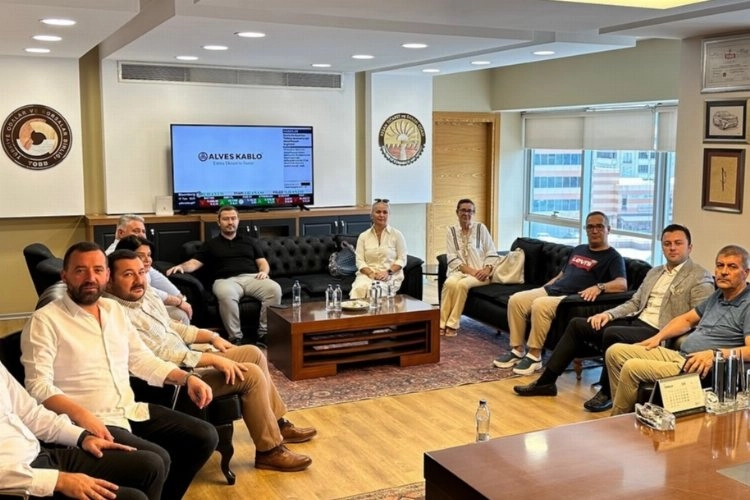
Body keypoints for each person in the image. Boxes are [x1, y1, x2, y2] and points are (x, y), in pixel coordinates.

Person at [21, 241, 219, 500]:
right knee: (156, 460)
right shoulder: (45, 320)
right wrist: (83, 416)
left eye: (97, 270)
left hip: (128, 409)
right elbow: (38, 387)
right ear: (65, 276)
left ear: (106, 275)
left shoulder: (113, 309)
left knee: (204, 435)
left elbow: (141, 360)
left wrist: (187, 378)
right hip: (88, 421)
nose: (90, 278)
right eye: (80, 270)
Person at [105, 247, 315, 472]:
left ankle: (277, 424)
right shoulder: (115, 314)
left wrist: (212, 337)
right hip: (176, 382)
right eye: (128, 274)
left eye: (140, 272)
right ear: (109, 281)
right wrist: (212, 360)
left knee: (252, 352)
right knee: (251, 375)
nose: (139, 280)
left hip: (189, 359)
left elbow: (171, 327)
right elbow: (158, 357)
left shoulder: (144, 296)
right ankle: (269, 451)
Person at [512, 224, 713, 411]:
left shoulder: (699, 276)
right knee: (578, 325)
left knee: (612, 333)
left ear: (690, 247)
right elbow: (634, 303)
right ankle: (546, 382)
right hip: (636, 320)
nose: (672, 248)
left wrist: (665, 334)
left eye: (678, 243)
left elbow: (699, 317)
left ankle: (607, 392)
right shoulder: (655, 272)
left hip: (660, 331)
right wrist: (607, 314)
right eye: (667, 244)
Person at [607, 244, 750, 415]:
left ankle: (618, 421)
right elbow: (687, 320)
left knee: (632, 367)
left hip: (699, 366)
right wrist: (657, 338)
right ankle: (625, 413)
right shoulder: (718, 295)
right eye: (720, 265)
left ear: (746, 273)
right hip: (681, 356)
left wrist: (715, 355)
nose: (724, 272)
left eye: (732, 267)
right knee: (615, 352)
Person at [0, 361, 166, 500]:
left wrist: (82, 437)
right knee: (133, 498)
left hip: (37, 454)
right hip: (16, 482)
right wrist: (58, 480)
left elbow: (30, 413)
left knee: (151, 465)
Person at [493, 211, 627, 376]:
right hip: (553, 290)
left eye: (599, 227)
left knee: (540, 304)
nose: (594, 231)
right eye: (590, 227)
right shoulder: (579, 249)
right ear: (586, 229)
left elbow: (622, 284)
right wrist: (542, 288)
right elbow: (562, 275)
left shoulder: (613, 257)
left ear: (608, 229)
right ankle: (517, 350)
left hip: (571, 299)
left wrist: (599, 287)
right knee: (516, 300)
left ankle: (534, 356)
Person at [166, 205, 282, 345]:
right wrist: (181, 267)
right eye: (226, 219)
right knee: (227, 295)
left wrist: (263, 272)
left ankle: (265, 334)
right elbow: (194, 263)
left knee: (274, 289)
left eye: (233, 218)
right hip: (225, 281)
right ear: (219, 222)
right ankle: (235, 338)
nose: (230, 222)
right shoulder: (210, 244)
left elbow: (262, 262)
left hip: (252, 277)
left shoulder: (250, 242)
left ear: (238, 220)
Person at [106, 214, 192, 325]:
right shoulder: (117, 257)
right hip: (132, 307)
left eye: (143, 231)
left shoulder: (139, 248)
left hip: (148, 301)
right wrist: (178, 301)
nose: (141, 235)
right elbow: (143, 290)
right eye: (136, 231)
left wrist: (180, 297)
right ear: (121, 233)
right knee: (180, 315)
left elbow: (156, 277)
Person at [440, 198, 499, 337]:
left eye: (469, 211)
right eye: (463, 210)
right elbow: (452, 258)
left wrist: (486, 270)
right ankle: (441, 323)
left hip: (481, 274)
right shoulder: (451, 231)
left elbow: (492, 252)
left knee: (462, 285)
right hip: (461, 271)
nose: (466, 214)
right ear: (457, 212)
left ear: (473, 213)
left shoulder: (480, 228)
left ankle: (453, 324)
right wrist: (471, 271)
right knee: (449, 283)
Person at [350, 198, 408, 299]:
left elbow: (402, 259)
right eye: (378, 212)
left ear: (389, 215)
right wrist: (371, 274)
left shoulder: (397, 235)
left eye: (385, 212)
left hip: (389, 275)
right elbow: (359, 261)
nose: (381, 215)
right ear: (371, 215)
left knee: (375, 290)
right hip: (367, 275)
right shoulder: (363, 236)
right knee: (358, 289)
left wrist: (388, 272)